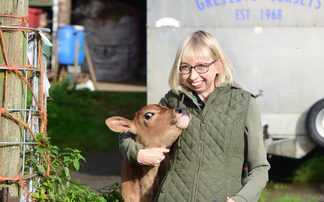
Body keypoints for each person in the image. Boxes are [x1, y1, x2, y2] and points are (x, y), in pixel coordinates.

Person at [119, 30, 270, 202]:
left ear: (219, 65)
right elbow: (131, 131)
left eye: (201, 66)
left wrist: (242, 199)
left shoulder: (245, 104)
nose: (193, 76)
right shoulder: (173, 100)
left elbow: (259, 168)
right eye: (185, 67)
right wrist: (138, 153)